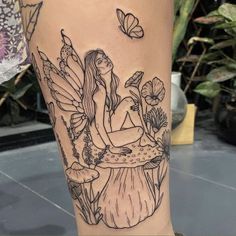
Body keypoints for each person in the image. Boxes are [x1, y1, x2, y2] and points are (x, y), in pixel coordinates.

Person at [20, 0, 175, 235]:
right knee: (137, 130)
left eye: (106, 59)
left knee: (128, 110)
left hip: (105, 135)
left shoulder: (107, 86)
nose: (107, 62)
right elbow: (99, 126)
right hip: (102, 140)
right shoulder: (99, 92)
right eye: (101, 61)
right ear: (94, 67)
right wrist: (111, 146)